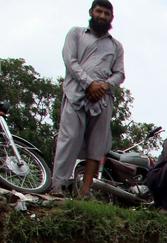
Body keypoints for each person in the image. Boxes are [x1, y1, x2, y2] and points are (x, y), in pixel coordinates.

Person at [51, 0, 125, 197]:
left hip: (102, 99)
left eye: (106, 14)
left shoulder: (116, 46)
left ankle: (85, 190)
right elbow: (70, 61)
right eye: (99, 12)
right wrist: (89, 84)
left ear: (111, 18)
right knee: (69, 139)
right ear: (91, 12)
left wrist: (104, 85)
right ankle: (58, 187)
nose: (102, 16)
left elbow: (120, 74)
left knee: (96, 145)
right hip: (76, 93)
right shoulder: (76, 33)